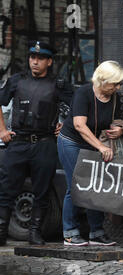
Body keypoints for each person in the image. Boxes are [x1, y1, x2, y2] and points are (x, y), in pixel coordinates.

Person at [0, 41, 72, 246]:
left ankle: (35, 232)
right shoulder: (17, 80)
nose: (35, 62)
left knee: (42, 190)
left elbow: (78, 107)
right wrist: (3, 130)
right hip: (18, 142)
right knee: (6, 188)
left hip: (45, 143)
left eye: (40, 59)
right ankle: (1, 232)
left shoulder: (58, 84)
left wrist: (64, 125)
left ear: (49, 61)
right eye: (32, 58)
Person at [58, 60, 123, 246]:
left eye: (119, 83)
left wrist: (118, 129)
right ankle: (70, 232)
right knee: (77, 185)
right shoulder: (84, 93)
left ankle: (96, 232)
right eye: (115, 83)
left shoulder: (113, 97)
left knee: (96, 186)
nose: (118, 87)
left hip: (92, 143)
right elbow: (79, 125)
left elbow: (114, 121)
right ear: (103, 80)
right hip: (71, 142)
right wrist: (102, 147)